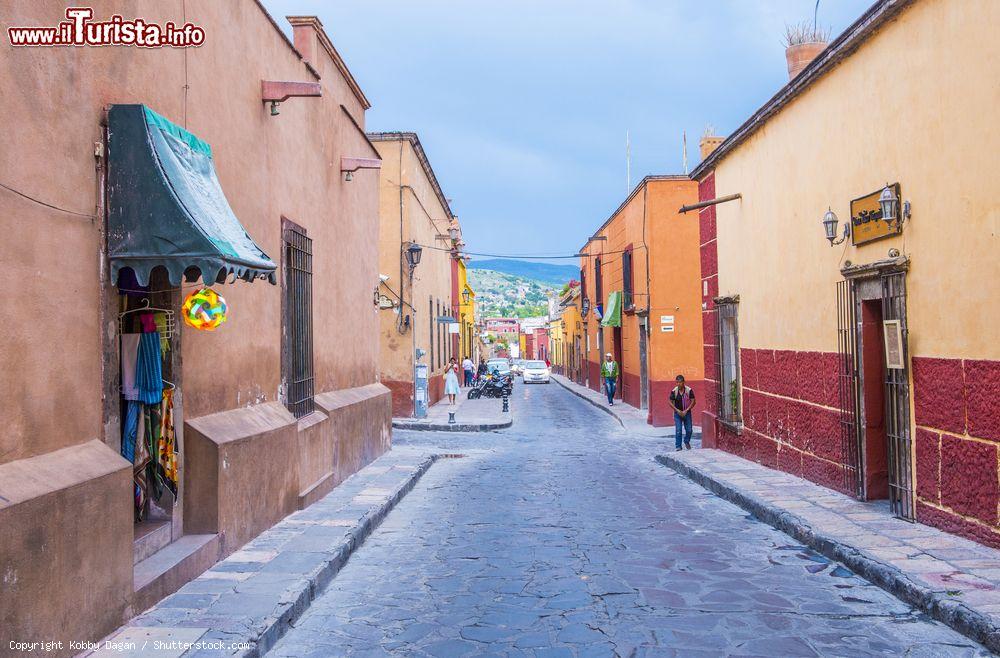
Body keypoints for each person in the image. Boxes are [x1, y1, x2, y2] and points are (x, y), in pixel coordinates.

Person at [670, 374, 696, 451]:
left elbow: (694, 401)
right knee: (678, 429)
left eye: (680, 382)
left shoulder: (689, 390)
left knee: (689, 430)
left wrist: (686, 410)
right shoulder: (674, 391)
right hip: (677, 413)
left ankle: (686, 441)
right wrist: (677, 410)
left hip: (687, 413)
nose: (679, 384)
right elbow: (670, 402)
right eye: (677, 382)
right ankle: (678, 446)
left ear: (684, 382)